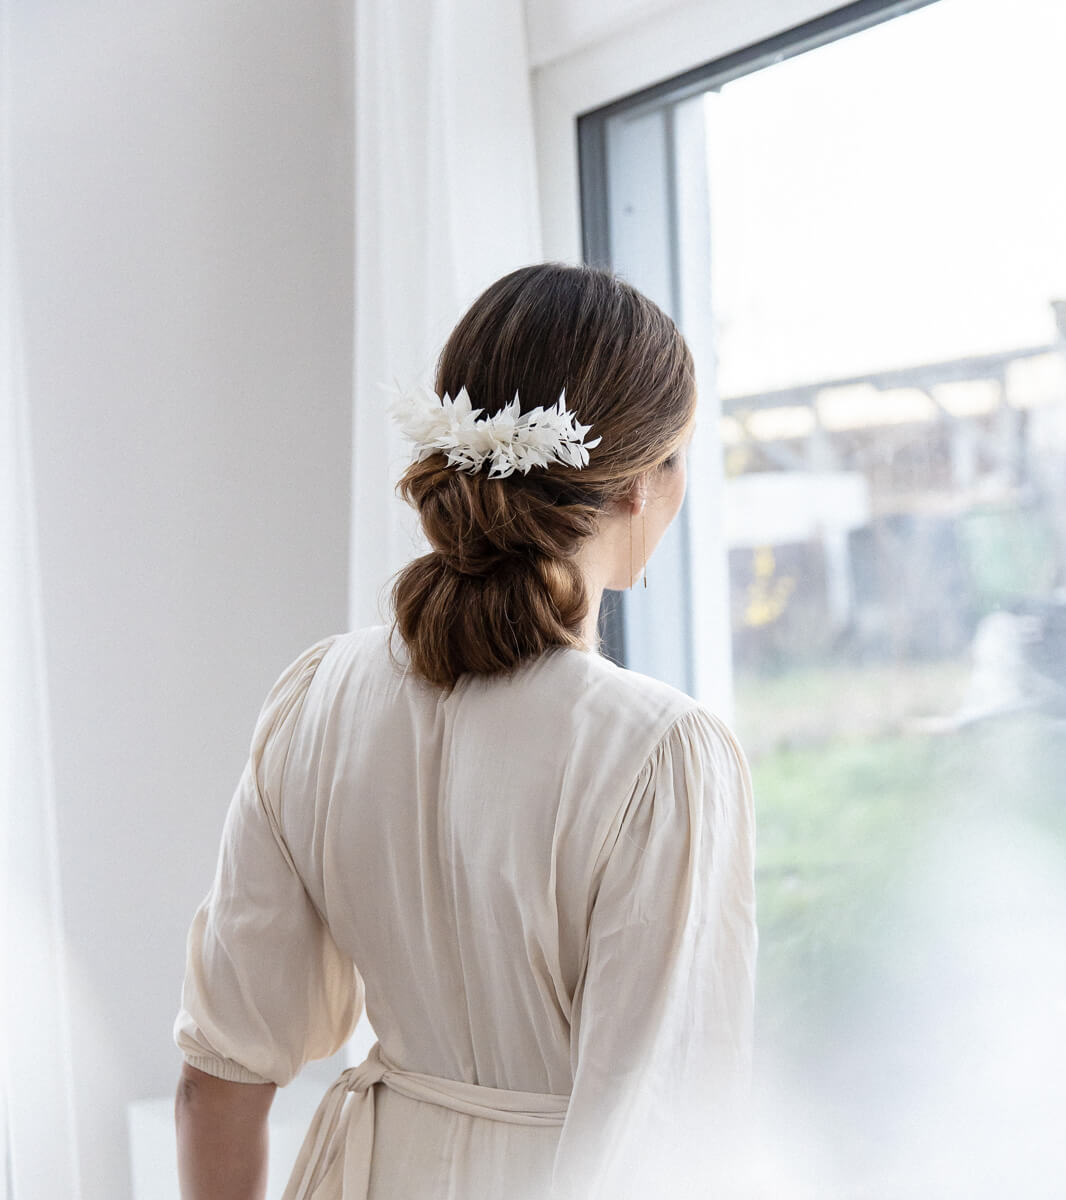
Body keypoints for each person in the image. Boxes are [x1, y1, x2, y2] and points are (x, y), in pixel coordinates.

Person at [173, 262, 758, 1200]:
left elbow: (217, 1082)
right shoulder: (660, 753)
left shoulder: (318, 697)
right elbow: (661, 1151)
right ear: (643, 484)